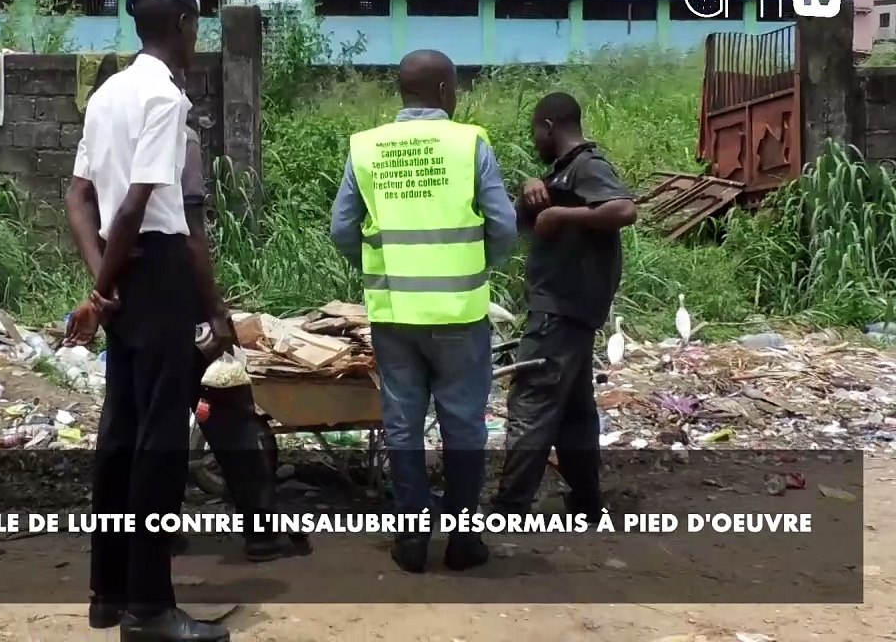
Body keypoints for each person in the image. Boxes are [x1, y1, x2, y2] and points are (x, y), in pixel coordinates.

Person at [73, 54, 309, 563]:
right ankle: (258, 531)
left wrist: (102, 284)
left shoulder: (101, 112)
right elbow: (191, 232)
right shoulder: (175, 126)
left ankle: (138, 549)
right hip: (168, 285)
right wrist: (216, 312)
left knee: (134, 421)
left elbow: (78, 199)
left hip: (125, 287)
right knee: (221, 405)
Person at [62, 0, 230, 642]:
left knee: (120, 435)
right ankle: (152, 610)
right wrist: (105, 288)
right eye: (196, 26)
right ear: (185, 23)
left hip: (124, 274)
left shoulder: (106, 95)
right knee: (158, 442)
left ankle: (108, 593)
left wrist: (102, 279)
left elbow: (77, 197)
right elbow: (140, 205)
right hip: (154, 274)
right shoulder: (165, 97)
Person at [329, 49, 518, 574]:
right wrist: (479, 267)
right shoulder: (468, 142)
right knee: (463, 429)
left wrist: (379, 268)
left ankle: (411, 542)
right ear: (443, 91)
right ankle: (463, 543)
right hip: (459, 311)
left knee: (404, 427)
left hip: (395, 314)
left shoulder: (367, 148)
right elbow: (503, 226)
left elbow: (342, 230)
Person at [492, 92, 638, 520]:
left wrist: (562, 218)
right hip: (571, 310)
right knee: (574, 412)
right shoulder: (564, 174)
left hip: (561, 309)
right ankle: (587, 503)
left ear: (549, 127)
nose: (535, 138)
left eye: (536, 131)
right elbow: (525, 221)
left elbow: (623, 209)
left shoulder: (588, 165)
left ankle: (508, 509)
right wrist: (530, 188)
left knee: (531, 403)